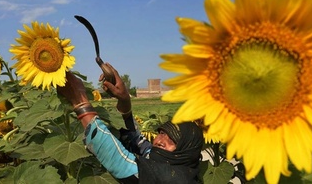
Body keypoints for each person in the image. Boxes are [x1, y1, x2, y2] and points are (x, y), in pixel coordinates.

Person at [57, 63, 204, 184]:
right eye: (162, 133)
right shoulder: (164, 159)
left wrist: (80, 101)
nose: (160, 141)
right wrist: (124, 100)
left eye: (172, 140)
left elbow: (121, 163)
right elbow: (137, 141)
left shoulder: (174, 179)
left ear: (186, 152)